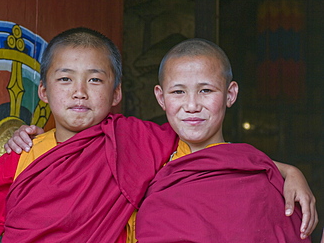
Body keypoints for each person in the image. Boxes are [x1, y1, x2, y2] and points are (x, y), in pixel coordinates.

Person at [0, 28, 316, 243]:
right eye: (65, 79)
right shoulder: (22, 157)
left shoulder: (140, 142)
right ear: (44, 92)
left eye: (95, 79)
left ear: (117, 94)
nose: (80, 92)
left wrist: (289, 171)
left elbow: (222, 159)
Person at [134, 38, 315, 242]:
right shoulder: (146, 155)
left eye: (206, 90)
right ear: (160, 98)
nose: (192, 105)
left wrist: (291, 172)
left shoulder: (258, 175)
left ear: (230, 94)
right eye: (178, 92)